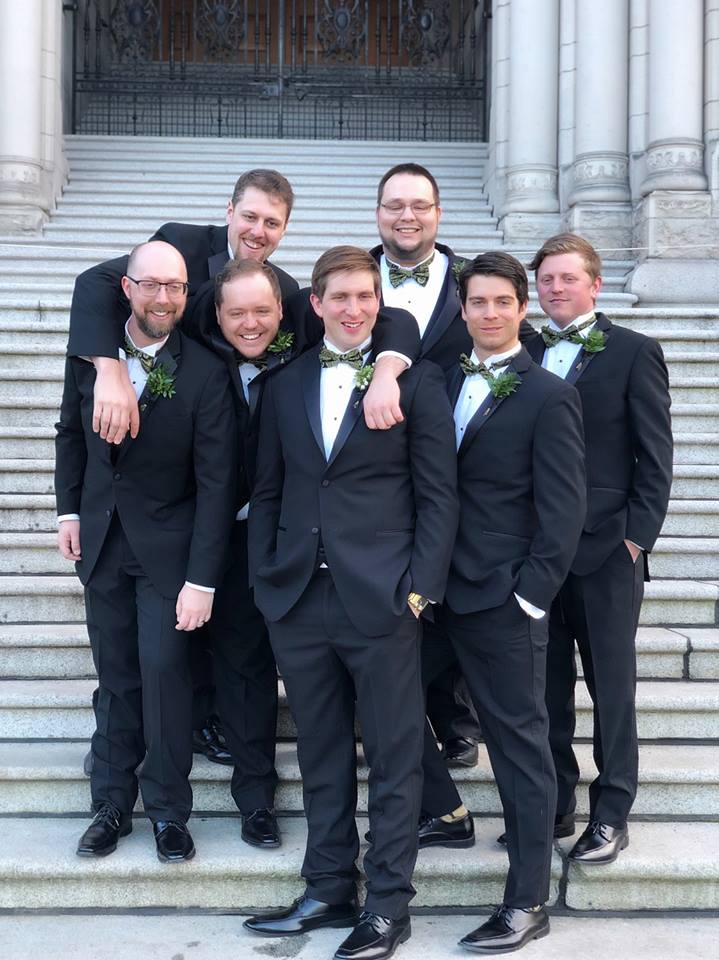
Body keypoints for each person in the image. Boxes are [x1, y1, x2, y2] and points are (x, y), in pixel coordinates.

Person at [64, 168, 417, 777]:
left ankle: (241, 755)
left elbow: (387, 320)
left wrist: (387, 369)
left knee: (238, 643)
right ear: (229, 212)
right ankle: (145, 745)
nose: (258, 231)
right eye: (250, 216)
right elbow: (95, 284)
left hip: (259, 506)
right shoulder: (179, 247)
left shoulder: (285, 294)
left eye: (272, 223)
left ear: (285, 230)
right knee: (160, 646)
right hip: (177, 504)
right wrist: (108, 367)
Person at [244, 246, 459, 960]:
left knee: (395, 757)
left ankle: (387, 905)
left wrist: (419, 589)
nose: (354, 308)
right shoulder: (284, 384)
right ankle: (328, 886)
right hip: (298, 598)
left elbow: (438, 496)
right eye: (339, 296)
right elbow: (269, 489)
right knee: (320, 750)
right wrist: (266, 579)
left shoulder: (417, 382)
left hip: (384, 598)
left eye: (366, 296)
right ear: (316, 304)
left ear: (379, 303)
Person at [417, 252, 586, 953]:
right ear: (461, 310)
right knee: (383, 704)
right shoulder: (440, 378)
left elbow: (564, 510)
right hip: (432, 593)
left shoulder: (549, 394)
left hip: (502, 600)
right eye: (477, 302)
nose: (488, 313)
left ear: (522, 308)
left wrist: (530, 600)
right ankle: (443, 810)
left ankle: (526, 901)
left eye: (501, 302)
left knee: (519, 749)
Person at [54, 241, 238, 862]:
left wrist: (202, 580)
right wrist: (69, 511)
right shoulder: (92, 359)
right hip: (103, 544)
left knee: (163, 675)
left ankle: (167, 812)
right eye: (152, 285)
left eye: (176, 287)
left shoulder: (206, 371)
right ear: (126, 289)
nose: (164, 298)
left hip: (170, 556)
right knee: (116, 677)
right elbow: (70, 434)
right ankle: (110, 805)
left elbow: (217, 486)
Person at [526, 233, 673, 864]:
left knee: (612, 688)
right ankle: (556, 802)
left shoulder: (635, 352)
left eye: (568, 278)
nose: (556, 288)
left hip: (608, 549)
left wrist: (636, 538)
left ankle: (611, 812)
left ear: (595, 284)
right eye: (547, 279)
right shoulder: (525, 351)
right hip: (537, 554)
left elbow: (655, 457)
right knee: (546, 687)